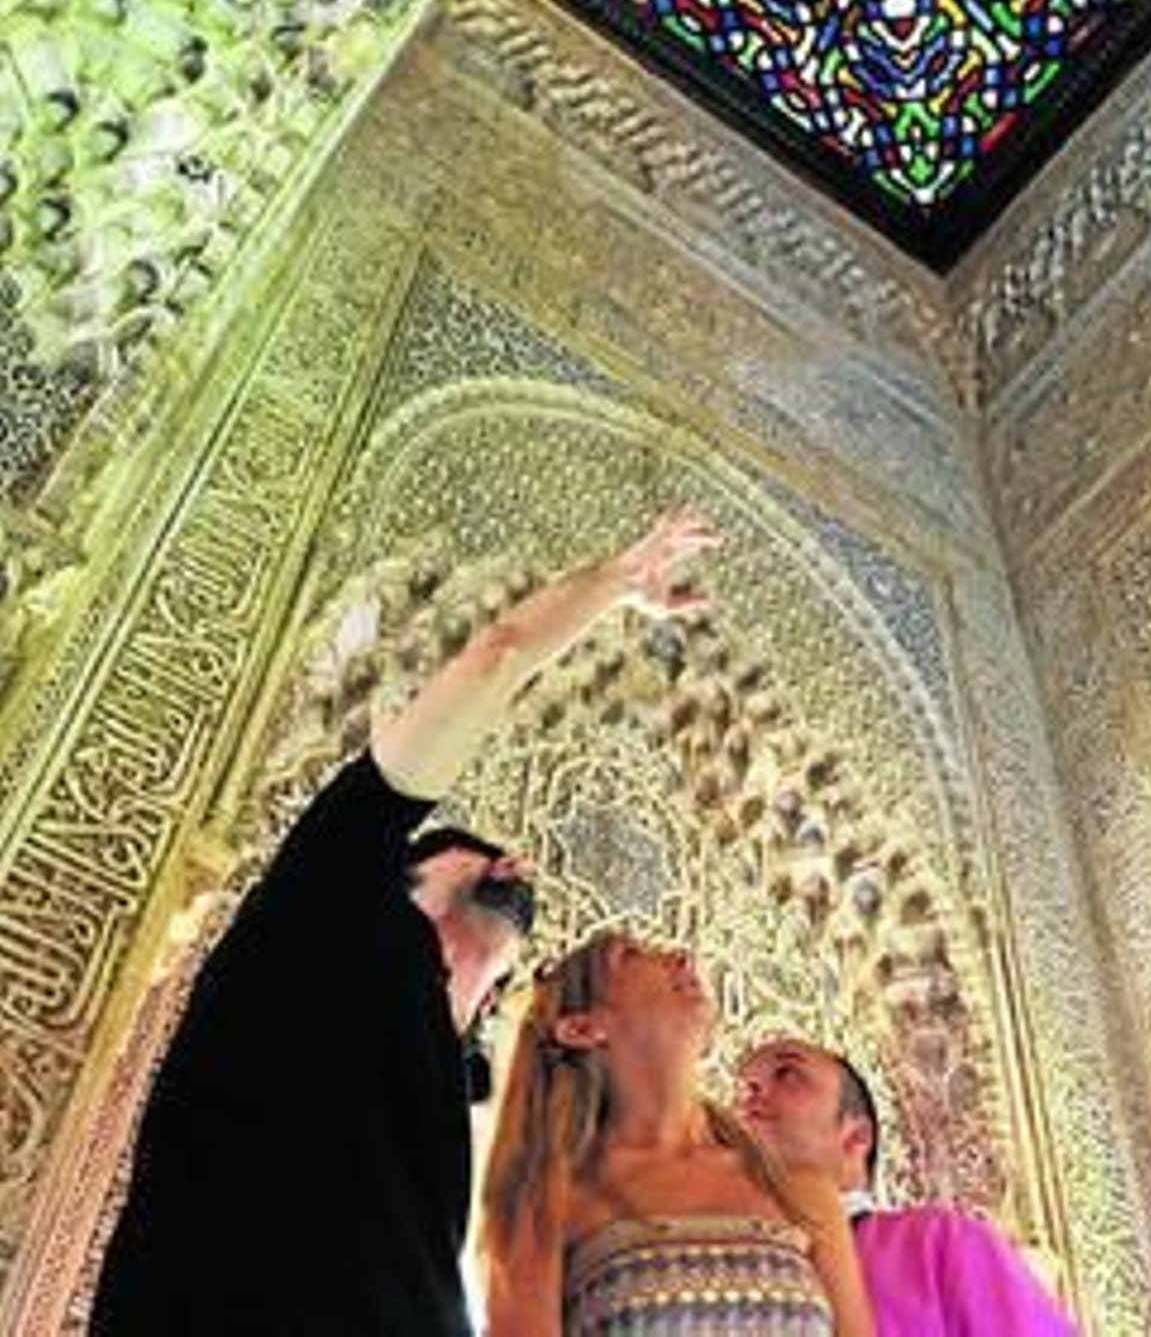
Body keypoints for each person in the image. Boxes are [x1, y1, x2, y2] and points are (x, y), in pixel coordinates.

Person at [91, 512, 718, 1337]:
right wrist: (611, 584)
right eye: (476, 851)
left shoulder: (466, 1088)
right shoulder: (325, 915)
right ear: (396, 876)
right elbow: (495, 656)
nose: (518, 865)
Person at [479, 933, 876, 1336]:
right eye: (630, 955)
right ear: (582, 1028)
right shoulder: (547, 1201)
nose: (680, 957)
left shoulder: (800, 1191)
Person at [736, 1039, 1079, 1337]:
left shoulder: (937, 1242)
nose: (749, 1097)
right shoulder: (722, 1274)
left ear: (856, 1137)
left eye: (786, 1074)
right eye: (745, 1087)